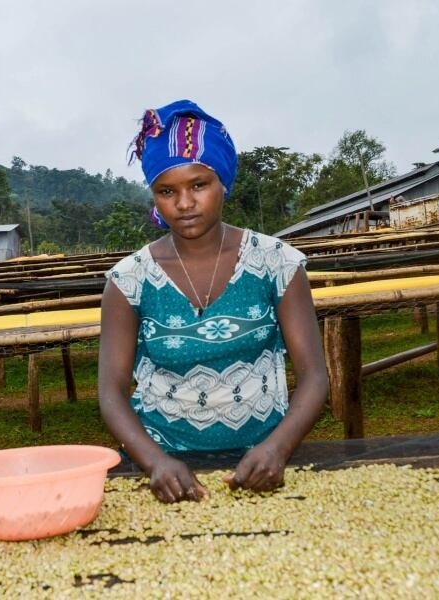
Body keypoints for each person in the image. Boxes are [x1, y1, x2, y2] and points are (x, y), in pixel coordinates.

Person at [98, 99, 329, 503]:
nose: (184, 203)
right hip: (161, 461)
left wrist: (277, 448)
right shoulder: (129, 280)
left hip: (265, 455)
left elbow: (314, 376)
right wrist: (155, 462)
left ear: (223, 182)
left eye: (198, 185)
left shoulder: (276, 263)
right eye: (167, 191)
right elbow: (111, 391)